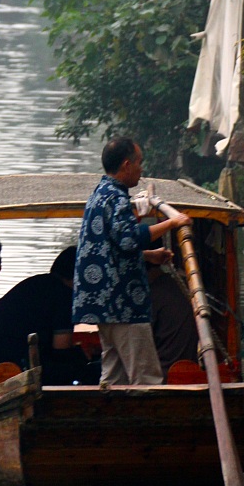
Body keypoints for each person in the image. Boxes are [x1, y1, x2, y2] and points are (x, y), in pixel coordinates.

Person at [73, 137, 191, 386]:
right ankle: (146, 423)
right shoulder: (116, 198)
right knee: (146, 378)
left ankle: (109, 423)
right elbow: (128, 239)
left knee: (114, 377)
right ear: (126, 165)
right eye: (139, 163)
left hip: (103, 305)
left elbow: (110, 247)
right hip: (122, 305)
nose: (141, 169)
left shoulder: (99, 195)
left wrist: (149, 256)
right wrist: (173, 222)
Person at [0, 246, 96, 384]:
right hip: (3, 368)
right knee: (86, 372)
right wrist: (84, 356)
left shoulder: (37, 282)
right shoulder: (64, 295)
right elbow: (61, 352)